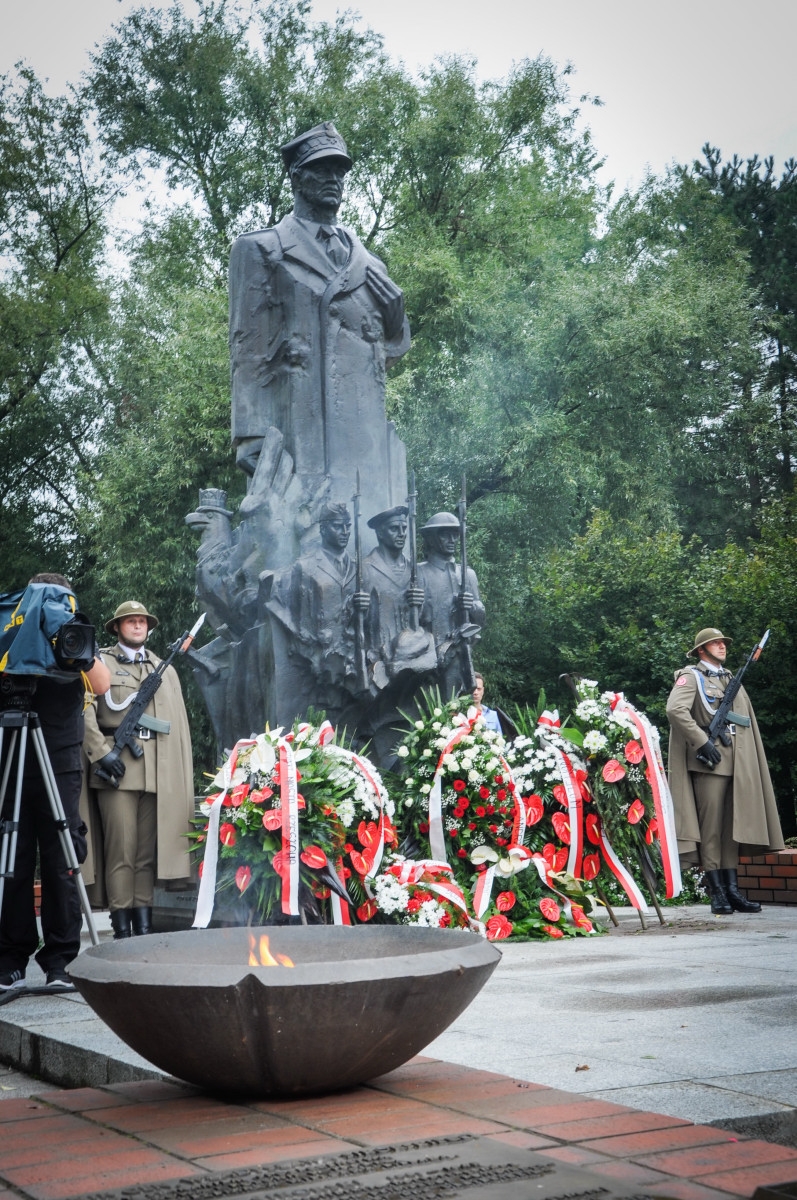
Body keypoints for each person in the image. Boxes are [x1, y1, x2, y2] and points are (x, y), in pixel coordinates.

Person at [229, 121, 411, 527]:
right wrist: (250, 435)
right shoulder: (261, 248)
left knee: (365, 534)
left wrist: (397, 319)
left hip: (362, 429)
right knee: (302, 539)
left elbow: (388, 352)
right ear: (296, 176)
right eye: (322, 169)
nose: (334, 179)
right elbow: (246, 349)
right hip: (303, 423)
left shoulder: (369, 263)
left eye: (340, 172)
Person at [0, 573, 111, 990]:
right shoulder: (9, 628)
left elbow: (100, 683)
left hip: (58, 753)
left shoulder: (72, 631)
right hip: (12, 750)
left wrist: (69, 638)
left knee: (63, 852)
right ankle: (11, 958)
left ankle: (59, 962)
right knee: (12, 852)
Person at [82, 601, 194, 939]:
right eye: (129, 621)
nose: (137, 626)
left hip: (154, 771)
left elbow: (176, 727)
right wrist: (102, 753)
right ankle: (122, 928)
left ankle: (144, 927)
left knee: (145, 856)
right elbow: (85, 710)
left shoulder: (162, 669)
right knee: (121, 853)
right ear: (116, 627)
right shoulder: (99, 663)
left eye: (141, 621)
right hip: (116, 770)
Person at [666, 626, 784, 916]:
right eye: (715, 643)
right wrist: (701, 741)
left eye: (723, 642)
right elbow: (675, 710)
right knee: (711, 829)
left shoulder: (730, 677)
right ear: (702, 650)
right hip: (709, 762)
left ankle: (732, 890)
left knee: (731, 829)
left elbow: (743, 720)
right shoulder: (690, 677)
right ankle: (716, 891)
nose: (722, 646)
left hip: (735, 763)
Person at [266, 503, 358, 727]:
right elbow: (296, 623)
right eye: (338, 526)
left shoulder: (357, 567)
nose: (345, 532)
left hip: (352, 667)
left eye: (348, 526)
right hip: (316, 669)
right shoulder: (304, 567)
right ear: (323, 529)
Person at [417, 512, 485, 699]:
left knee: (458, 710)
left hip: (459, 655)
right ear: (431, 538)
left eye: (455, 534)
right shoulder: (419, 573)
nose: (452, 539)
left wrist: (472, 606)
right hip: (428, 657)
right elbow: (412, 618)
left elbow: (480, 620)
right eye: (445, 534)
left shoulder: (467, 574)